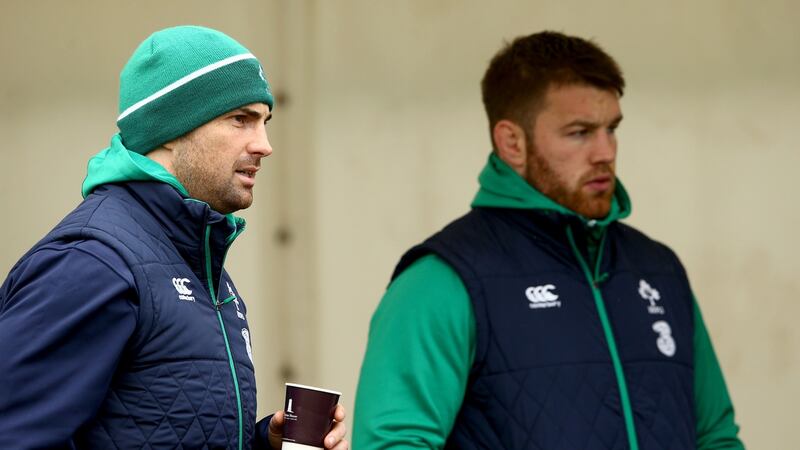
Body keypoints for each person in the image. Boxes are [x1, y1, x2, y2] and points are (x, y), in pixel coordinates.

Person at [354, 31, 744, 449]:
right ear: (512, 142)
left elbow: (716, 436)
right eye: (579, 132)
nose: (605, 152)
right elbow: (391, 442)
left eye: (612, 129)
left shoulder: (658, 269)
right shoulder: (442, 279)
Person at [0, 26, 348, 450]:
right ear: (169, 128)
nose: (265, 145)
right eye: (241, 119)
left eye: (264, 121)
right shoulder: (93, 262)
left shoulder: (197, 259)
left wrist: (266, 444)